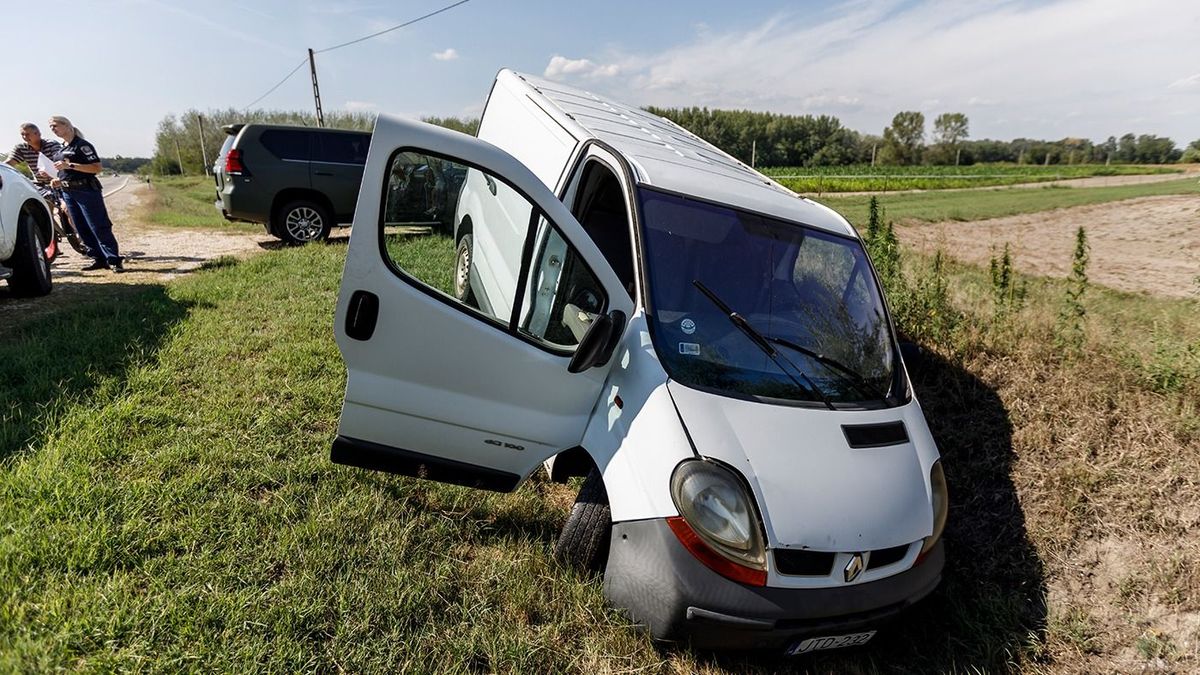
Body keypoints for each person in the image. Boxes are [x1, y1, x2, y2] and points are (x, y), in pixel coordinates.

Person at [46, 115, 123, 272]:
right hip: (68, 191)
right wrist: (58, 181)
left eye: (55, 125)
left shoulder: (81, 146)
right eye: (51, 127)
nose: (53, 129)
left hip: (86, 190)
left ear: (67, 126)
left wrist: (71, 165)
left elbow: (96, 168)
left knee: (98, 225)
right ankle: (98, 258)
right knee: (81, 228)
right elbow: (64, 172)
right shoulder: (60, 150)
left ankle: (113, 259)